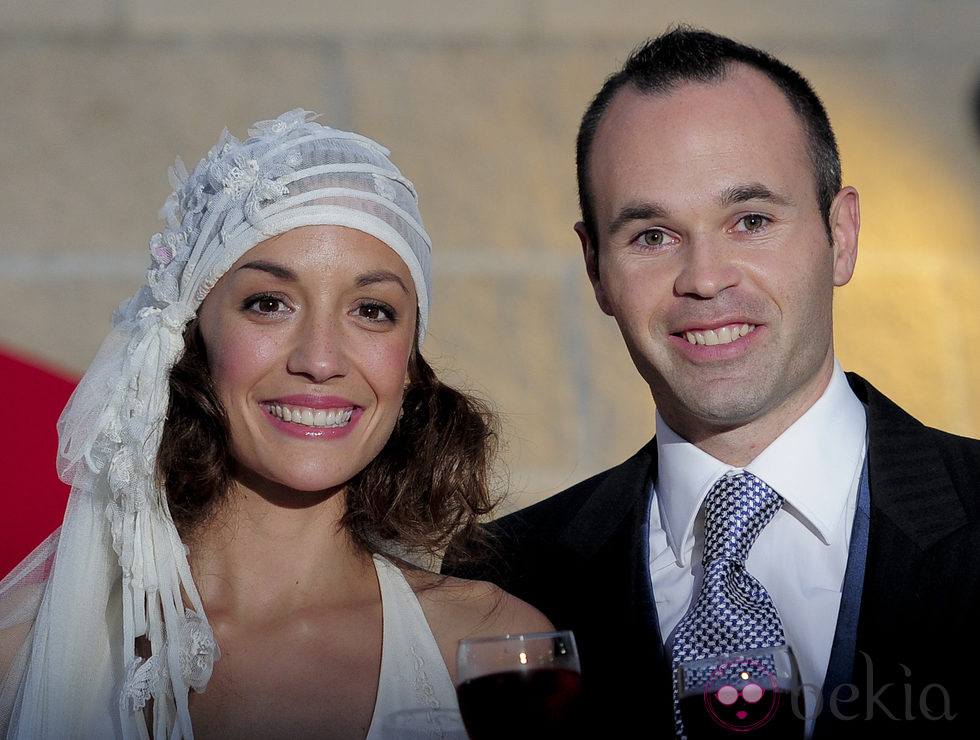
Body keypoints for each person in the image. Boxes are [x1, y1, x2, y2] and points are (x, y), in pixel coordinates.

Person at [444, 28, 980, 738]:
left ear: (841, 234)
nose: (704, 278)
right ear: (596, 269)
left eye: (751, 220)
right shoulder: (503, 581)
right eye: (652, 236)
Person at [0, 109, 552, 739]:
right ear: (190, 338)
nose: (319, 360)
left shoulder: (495, 653)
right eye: (269, 304)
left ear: (410, 366)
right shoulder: (25, 655)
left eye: (372, 311)